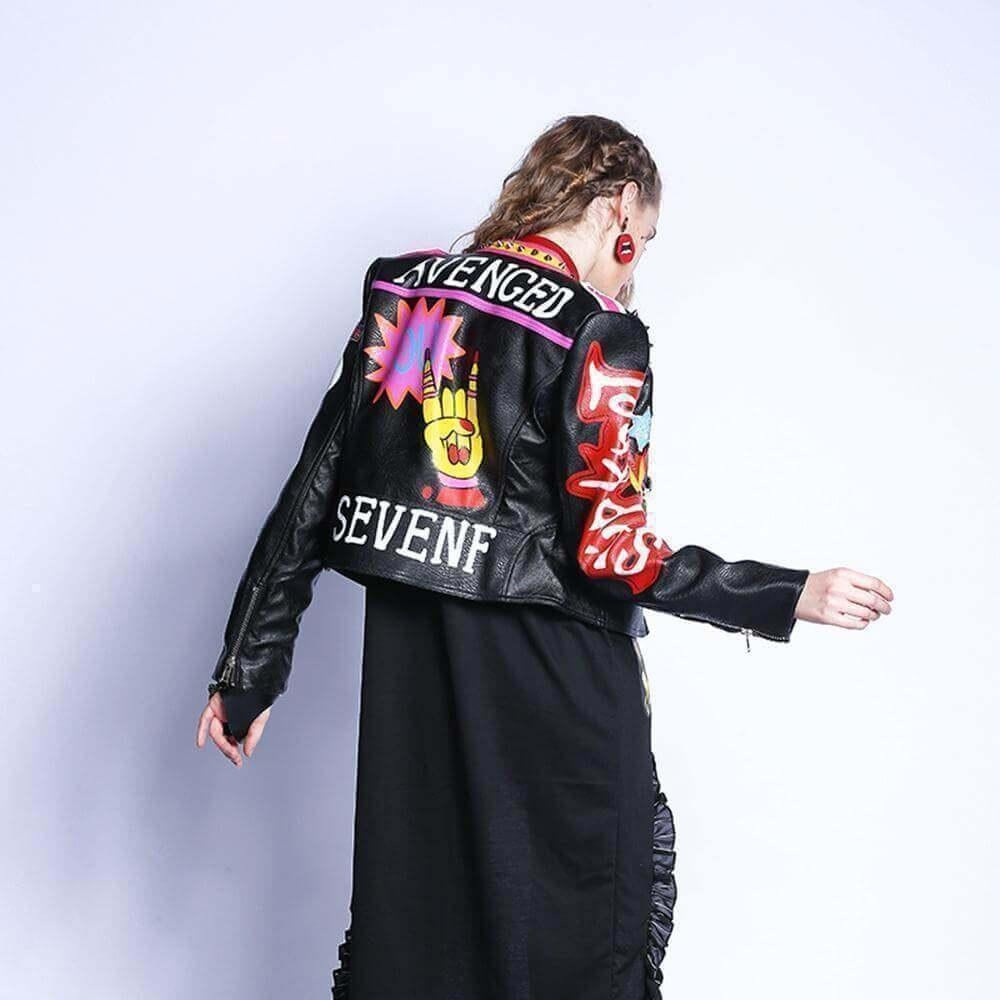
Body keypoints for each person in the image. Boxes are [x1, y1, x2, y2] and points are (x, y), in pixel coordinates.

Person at [196, 114, 894, 1000]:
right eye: (643, 241)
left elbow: (313, 489)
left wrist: (249, 671)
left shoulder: (408, 299)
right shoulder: (595, 332)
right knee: (582, 931)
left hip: (420, 675)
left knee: (428, 935)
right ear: (618, 206)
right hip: (556, 680)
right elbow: (614, 551)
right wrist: (784, 593)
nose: (632, 271)